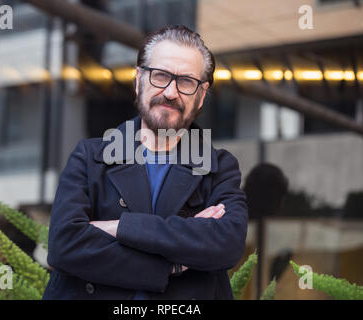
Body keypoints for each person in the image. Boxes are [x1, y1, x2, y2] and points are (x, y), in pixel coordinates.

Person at [42, 25, 248, 300]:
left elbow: (226, 244)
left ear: (201, 95)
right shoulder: (90, 157)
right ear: (139, 80)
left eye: (186, 81)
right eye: (160, 75)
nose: (171, 92)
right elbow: (64, 245)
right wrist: (171, 265)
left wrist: (119, 227)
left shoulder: (219, 167)